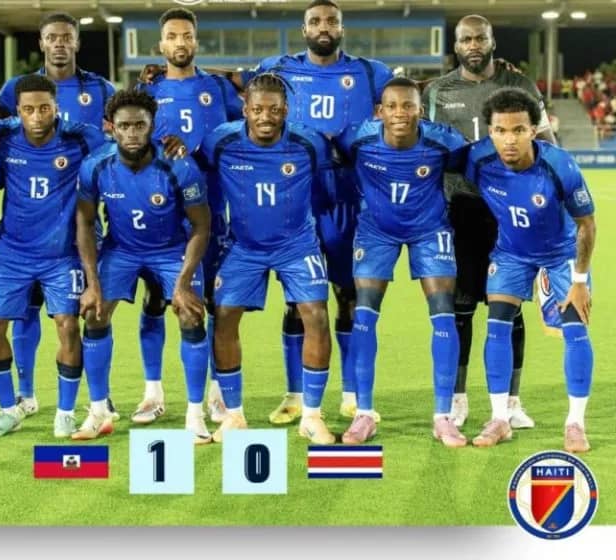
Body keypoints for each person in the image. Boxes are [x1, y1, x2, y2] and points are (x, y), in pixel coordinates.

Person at [246, 0, 393, 424]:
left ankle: (351, 393)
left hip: (349, 199)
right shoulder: (278, 68)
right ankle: (294, 395)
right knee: (297, 301)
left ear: (342, 28)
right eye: (315, 21)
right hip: (296, 201)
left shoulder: (371, 72)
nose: (323, 27)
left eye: (331, 21)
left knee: (349, 296)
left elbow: (409, 96)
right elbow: (236, 84)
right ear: (304, 29)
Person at [422, 14, 556, 429]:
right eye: (466, 39)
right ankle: (458, 399)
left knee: (509, 308)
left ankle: (511, 403)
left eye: (480, 38)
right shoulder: (437, 91)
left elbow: (547, 142)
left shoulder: (520, 85)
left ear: (492, 41)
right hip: (461, 210)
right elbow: (427, 150)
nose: (473, 45)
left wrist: (551, 198)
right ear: (456, 46)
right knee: (460, 309)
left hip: (511, 212)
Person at [0, 12, 117, 419]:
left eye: (66, 37)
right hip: (23, 231)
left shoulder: (100, 89)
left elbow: (120, 140)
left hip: (76, 223)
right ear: (41, 43)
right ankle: (25, 394)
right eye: (52, 37)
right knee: (23, 311)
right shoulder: (15, 94)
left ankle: (98, 396)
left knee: (84, 316)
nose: (59, 43)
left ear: (76, 42)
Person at [200, 73, 335, 444]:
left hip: (297, 245)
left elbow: (328, 187)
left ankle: (312, 415)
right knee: (224, 316)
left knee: (316, 315)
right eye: (257, 109)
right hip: (244, 246)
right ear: (245, 109)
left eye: (274, 110)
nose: (265, 117)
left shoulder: (309, 142)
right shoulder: (221, 141)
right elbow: (199, 174)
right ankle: (234, 416)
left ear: (286, 110)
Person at [336, 78, 468, 447]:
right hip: (376, 231)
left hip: (430, 230)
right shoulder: (357, 138)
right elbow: (334, 154)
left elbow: (470, 162)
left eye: (408, 105)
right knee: (364, 313)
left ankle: (443, 417)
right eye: (392, 106)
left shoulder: (443, 141)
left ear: (420, 111)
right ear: (379, 112)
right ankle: (364, 414)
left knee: (443, 312)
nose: (400, 113)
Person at [75, 88, 212, 442]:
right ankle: (98, 411)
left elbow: (201, 226)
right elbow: (85, 223)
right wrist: (92, 283)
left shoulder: (179, 165)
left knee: (190, 314)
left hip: (171, 250)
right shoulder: (96, 166)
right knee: (94, 313)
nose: (132, 133)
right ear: (111, 127)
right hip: (122, 250)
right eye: (124, 126)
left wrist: (183, 284)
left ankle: (195, 416)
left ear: (153, 125)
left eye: (140, 125)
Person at [465, 87, 595, 453]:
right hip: (511, 253)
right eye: (500, 130)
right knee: (497, 326)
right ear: (489, 131)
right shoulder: (477, 159)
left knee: (576, 330)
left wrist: (580, 281)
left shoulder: (559, 165)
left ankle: (575, 423)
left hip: (562, 254)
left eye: (518, 130)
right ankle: (499, 418)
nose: (509, 140)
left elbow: (587, 224)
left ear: (534, 130)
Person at [131, 7, 242, 426]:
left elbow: (243, 132)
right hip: (159, 215)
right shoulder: (147, 89)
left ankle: (216, 392)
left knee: (212, 301)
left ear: (196, 41)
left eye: (187, 36)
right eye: (173, 36)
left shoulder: (217, 87)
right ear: (161, 44)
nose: (180, 42)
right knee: (155, 300)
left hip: (210, 210)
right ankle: (152, 393)